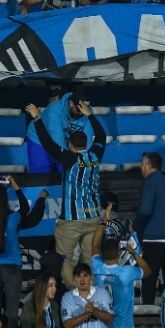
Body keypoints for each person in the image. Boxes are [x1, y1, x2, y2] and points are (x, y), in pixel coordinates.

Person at [29, 100, 109, 285]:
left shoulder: (68, 158)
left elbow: (47, 143)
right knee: (90, 260)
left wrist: (38, 118)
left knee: (65, 260)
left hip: (72, 220)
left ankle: (75, 293)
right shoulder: (95, 155)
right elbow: (102, 136)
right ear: (86, 143)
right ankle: (89, 293)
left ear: (70, 144)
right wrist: (90, 115)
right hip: (93, 218)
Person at [0, 176, 47, 328]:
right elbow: (25, 208)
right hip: (12, 270)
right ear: (4, 200)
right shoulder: (13, 219)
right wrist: (15, 186)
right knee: (11, 314)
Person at [133, 152, 165, 301]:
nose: (141, 167)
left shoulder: (150, 183)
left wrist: (135, 226)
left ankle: (148, 319)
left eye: (142, 164)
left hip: (154, 239)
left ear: (149, 166)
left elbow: (145, 210)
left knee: (149, 278)